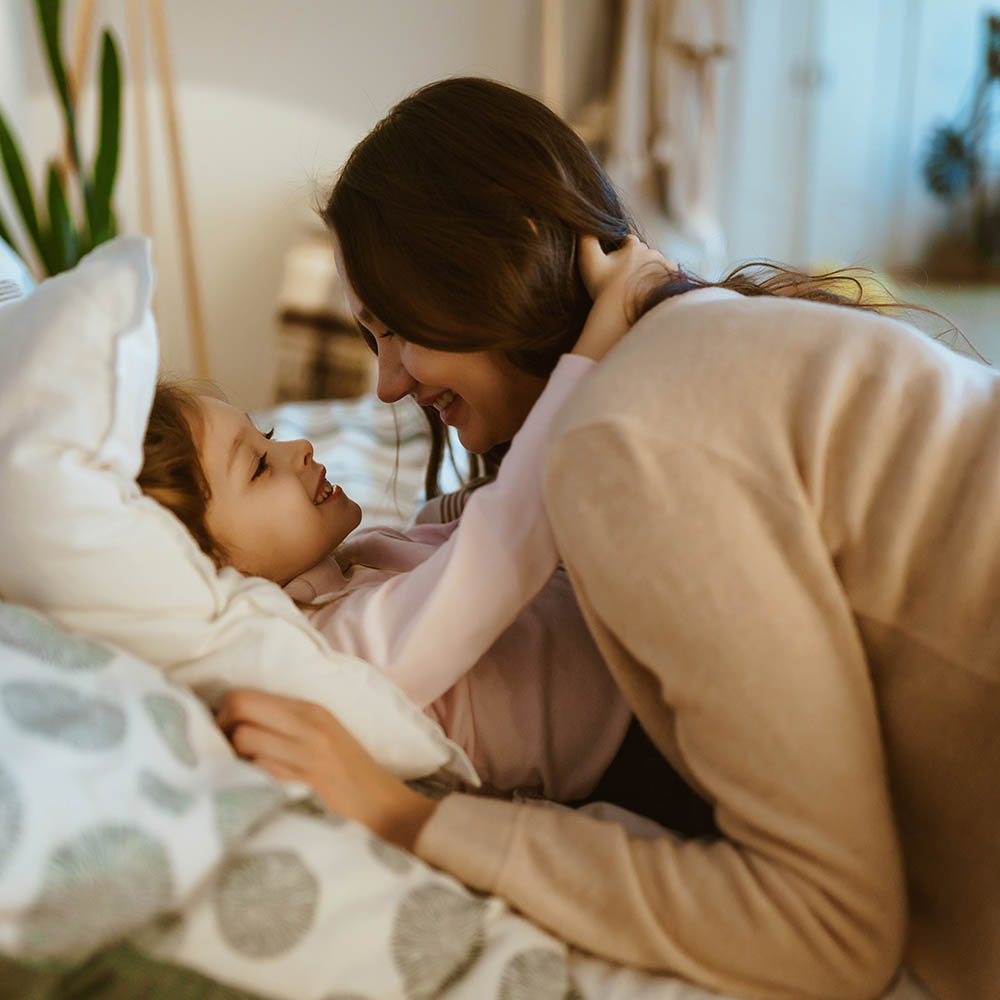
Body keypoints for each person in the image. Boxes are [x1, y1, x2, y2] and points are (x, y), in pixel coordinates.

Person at [216, 78, 999, 1000]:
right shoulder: (692, 341)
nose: (386, 385)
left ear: (486, 275)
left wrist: (407, 821)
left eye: (397, 331)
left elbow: (826, 928)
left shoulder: (627, 437)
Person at [140, 236, 703, 808]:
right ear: (208, 565)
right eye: (260, 466)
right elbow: (501, 542)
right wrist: (600, 337)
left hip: (645, 652)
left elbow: (458, 522)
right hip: (645, 752)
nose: (299, 448)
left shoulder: (350, 565)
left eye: (269, 436)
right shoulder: (335, 652)